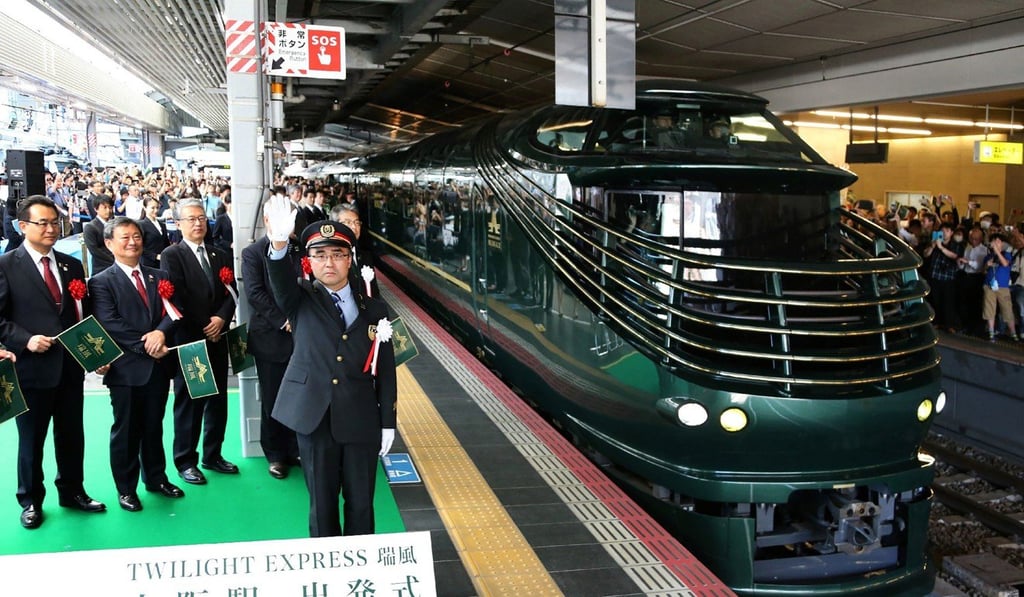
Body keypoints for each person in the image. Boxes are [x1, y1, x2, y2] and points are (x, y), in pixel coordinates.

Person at [264, 199, 397, 537]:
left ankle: (362, 567)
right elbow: (279, 280)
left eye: (338, 255)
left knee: (362, 503)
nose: (329, 263)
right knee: (322, 506)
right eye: (320, 255)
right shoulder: (300, 299)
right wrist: (279, 245)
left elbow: (385, 369)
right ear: (308, 261)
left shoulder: (374, 306)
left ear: (350, 259)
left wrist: (387, 422)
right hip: (314, 416)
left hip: (360, 417)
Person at [0, 195, 106, 529]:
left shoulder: (71, 265)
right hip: (31, 368)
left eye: (55, 222)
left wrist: (97, 355)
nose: (50, 228)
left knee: (72, 434)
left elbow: (83, 315)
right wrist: (25, 339)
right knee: (32, 439)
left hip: (70, 368)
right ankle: (30, 500)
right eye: (42, 222)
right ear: (22, 226)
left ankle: (73, 491)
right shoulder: (6, 265)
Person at [89, 217, 185, 512]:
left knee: (153, 426)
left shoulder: (159, 275)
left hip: (157, 367)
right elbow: (111, 323)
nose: (132, 242)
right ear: (109, 244)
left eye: (136, 236)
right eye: (124, 237)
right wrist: (149, 345)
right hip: (126, 369)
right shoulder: (101, 282)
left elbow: (172, 311)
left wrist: (161, 332)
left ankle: (156, 478)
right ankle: (126, 488)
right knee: (127, 430)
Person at [160, 199, 239, 485]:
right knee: (190, 401)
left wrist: (221, 319)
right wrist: (206, 324)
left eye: (202, 218)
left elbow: (232, 292)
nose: (198, 224)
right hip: (191, 339)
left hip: (217, 337)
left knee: (218, 399)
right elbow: (175, 297)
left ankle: (213, 454)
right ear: (179, 224)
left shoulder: (219, 254)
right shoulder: (173, 255)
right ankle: (185, 460)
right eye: (191, 219)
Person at [240, 201, 300, 480]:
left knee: (300, 395)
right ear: (266, 219)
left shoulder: (299, 248)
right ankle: (275, 455)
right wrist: (284, 320)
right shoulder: (253, 252)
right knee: (273, 397)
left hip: (302, 337)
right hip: (271, 337)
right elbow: (255, 293)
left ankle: (295, 448)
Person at [982, 232, 1018, 341]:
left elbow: (1005, 264)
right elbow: (983, 271)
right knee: (989, 309)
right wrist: (986, 266)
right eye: (994, 241)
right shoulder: (988, 256)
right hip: (989, 286)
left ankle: (1013, 333)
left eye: (998, 241)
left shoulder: (1007, 254)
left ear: (1002, 243)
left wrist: (997, 251)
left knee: (1007, 309)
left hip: (1003, 287)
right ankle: (991, 332)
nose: (995, 243)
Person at [83, 194, 115, 275]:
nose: (108, 210)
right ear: (96, 209)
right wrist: (114, 260)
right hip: (101, 268)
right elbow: (94, 250)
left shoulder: (115, 224)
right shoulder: (90, 227)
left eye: (110, 207)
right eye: (104, 207)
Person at [139, 197, 169, 268]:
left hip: (163, 262)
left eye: (157, 208)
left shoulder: (162, 225)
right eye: (152, 208)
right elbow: (139, 247)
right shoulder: (141, 225)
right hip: (148, 263)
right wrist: (155, 256)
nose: (156, 210)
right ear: (145, 208)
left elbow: (166, 243)